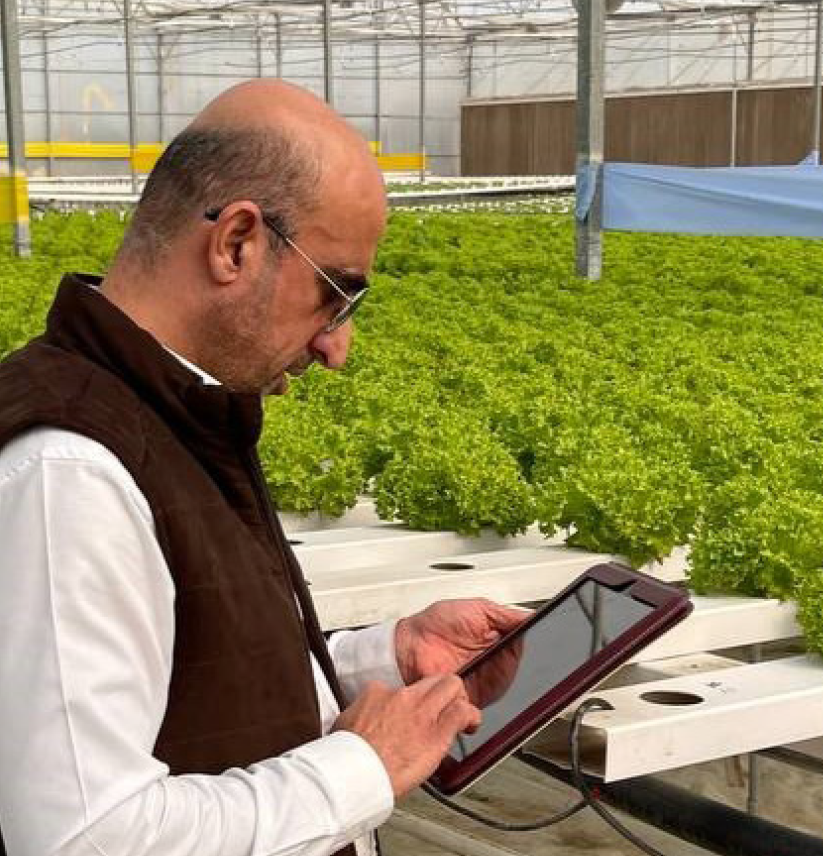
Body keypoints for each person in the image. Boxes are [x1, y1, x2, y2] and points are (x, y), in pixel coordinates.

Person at [0, 80, 526, 856]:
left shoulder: (174, 415)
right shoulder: (70, 473)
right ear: (237, 243)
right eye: (335, 293)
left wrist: (386, 658)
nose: (336, 347)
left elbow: (199, 684)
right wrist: (364, 767)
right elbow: (88, 837)